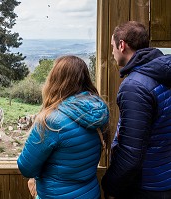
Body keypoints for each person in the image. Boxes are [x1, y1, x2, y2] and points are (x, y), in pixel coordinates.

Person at [17, 55, 109, 199]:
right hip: (90, 193)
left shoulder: (50, 121)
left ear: (54, 81)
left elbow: (26, 167)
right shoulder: (99, 113)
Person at [101, 21, 171, 199]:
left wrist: (110, 186)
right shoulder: (162, 73)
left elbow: (131, 153)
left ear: (122, 45)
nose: (112, 52)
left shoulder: (135, 86)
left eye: (112, 46)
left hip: (147, 186)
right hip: (165, 176)